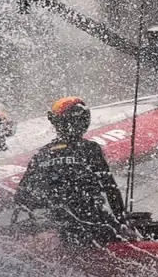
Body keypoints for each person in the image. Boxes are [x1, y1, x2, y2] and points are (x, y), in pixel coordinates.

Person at [12, 97, 127, 246]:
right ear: (83, 121)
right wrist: (122, 220)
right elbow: (110, 188)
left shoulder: (42, 154)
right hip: (93, 227)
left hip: (59, 228)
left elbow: (21, 198)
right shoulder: (89, 148)